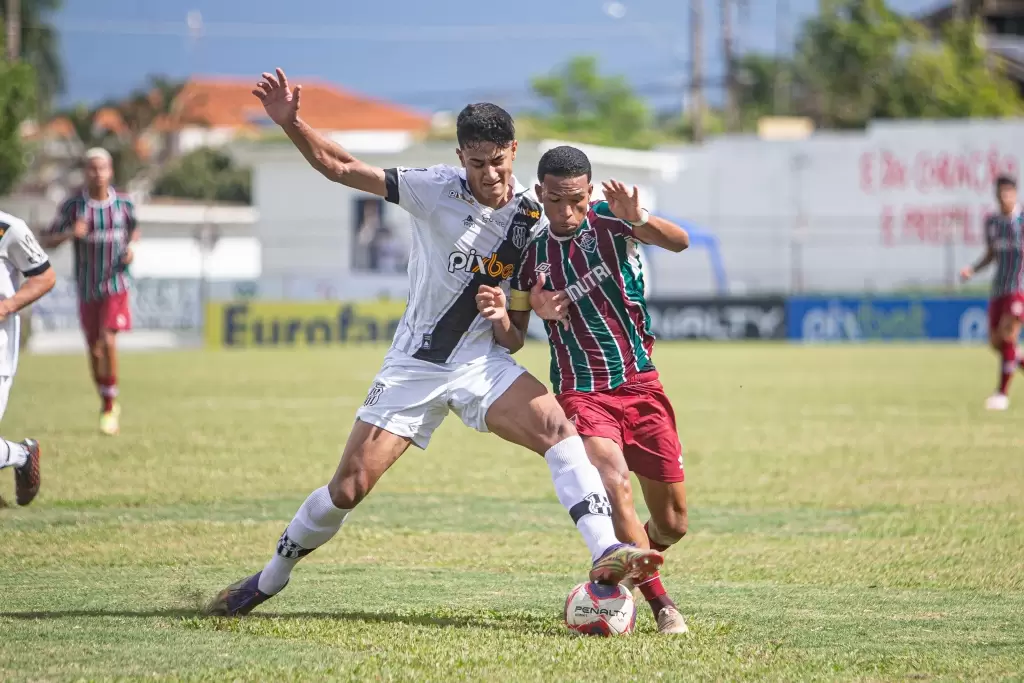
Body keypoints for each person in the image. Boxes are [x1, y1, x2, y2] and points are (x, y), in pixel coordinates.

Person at [203, 69, 662, 617]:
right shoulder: (432, 189)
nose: (489, 174)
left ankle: (605, 550)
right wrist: (293, 122)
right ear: (461, 156)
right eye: (477, 162)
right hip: (414, 367)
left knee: (561, 432)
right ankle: (268, 580)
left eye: (498, 161)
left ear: (513, 151)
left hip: (481, 364)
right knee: (348, 489)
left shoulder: (532, 216)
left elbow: (513, 340)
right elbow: (342, 167)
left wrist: (510, 316)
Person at [481, 146, 691, 634]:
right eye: (556, 200)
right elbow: (513, 337)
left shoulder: (609, 221)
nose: (567, 210)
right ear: (541, 194)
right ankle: (664, 608)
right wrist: (501, 317)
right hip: (581, 392)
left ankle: (616, 569)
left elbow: (678, 242)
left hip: (641, 384)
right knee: (613, 481)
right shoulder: (530, 255)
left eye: (576, 199)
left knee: (674, 524)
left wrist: (639, 218)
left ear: (589, 192)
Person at [41, 148, 139, 435]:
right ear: (85, 171)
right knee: (94, 351)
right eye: (92, 168)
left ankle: (109, 408)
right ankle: (107, 398)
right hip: (87, 286)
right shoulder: (73, 207)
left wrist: (132, 248)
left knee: (109, 340)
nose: (98, 173)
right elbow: (47, 239)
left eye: (103, 168)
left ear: (110, 171)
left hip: (116, 284)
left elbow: (134, 230)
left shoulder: (124, 204)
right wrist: (70, 234)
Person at [0, 209, 56, 505]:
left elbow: (44, 277)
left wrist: (7, 305)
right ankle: (21, 455)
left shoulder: (8, 228)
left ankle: (23, 456)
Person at [961, 174, 1024, 411]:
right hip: (999, 288)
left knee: (1008, 336)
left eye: (1008, 193)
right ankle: (1012, 370)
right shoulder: (992, 223)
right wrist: (973, 269)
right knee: (996, 343)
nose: (1004, 198)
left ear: (1015, 194)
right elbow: (991, 254)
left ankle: (1002, 394)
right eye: (1000, 194)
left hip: (1019, 289)